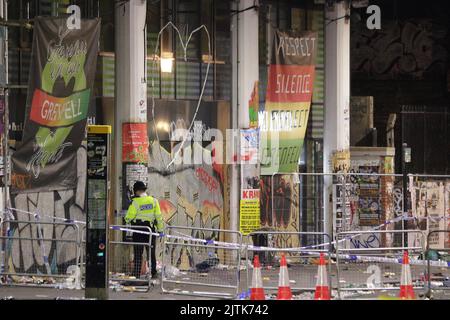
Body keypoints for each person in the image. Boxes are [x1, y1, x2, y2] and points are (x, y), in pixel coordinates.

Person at [125, 181, 164, 279]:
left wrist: (130, 220)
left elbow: (128, 217)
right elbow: (158, 217)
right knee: (151, 253)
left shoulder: (135, 202)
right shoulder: (154, 201)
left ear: (137, 191)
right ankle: (153, 273)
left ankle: (137, 274)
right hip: (150, 230)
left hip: (138, 231)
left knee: (138, 253)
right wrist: (160, 230)